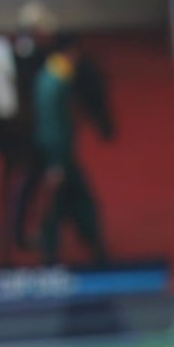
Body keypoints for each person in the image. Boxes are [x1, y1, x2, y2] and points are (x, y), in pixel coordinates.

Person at [31, 32, 109, 265]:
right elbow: (52, 122)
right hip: (58, 153)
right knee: (73, 199)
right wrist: (55, 161)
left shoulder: (53, 75)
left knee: (64, 201)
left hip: (58, 151)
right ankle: (87, 246)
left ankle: (73, 245)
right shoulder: (56, 80)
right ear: (69, 52)